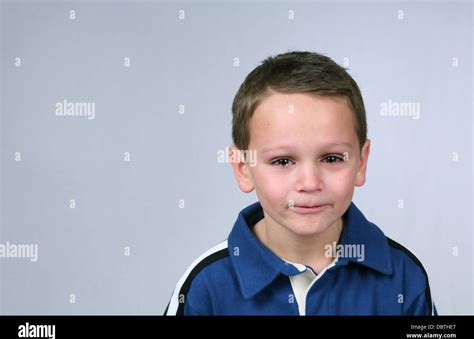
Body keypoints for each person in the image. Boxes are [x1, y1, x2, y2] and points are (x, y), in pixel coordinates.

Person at [164, 51, 437, 315]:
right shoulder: (205, 287)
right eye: (283, 161)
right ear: (243, 168)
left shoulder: (403, 275)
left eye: (331, 158)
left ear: (361, 162)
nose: (310, 183)